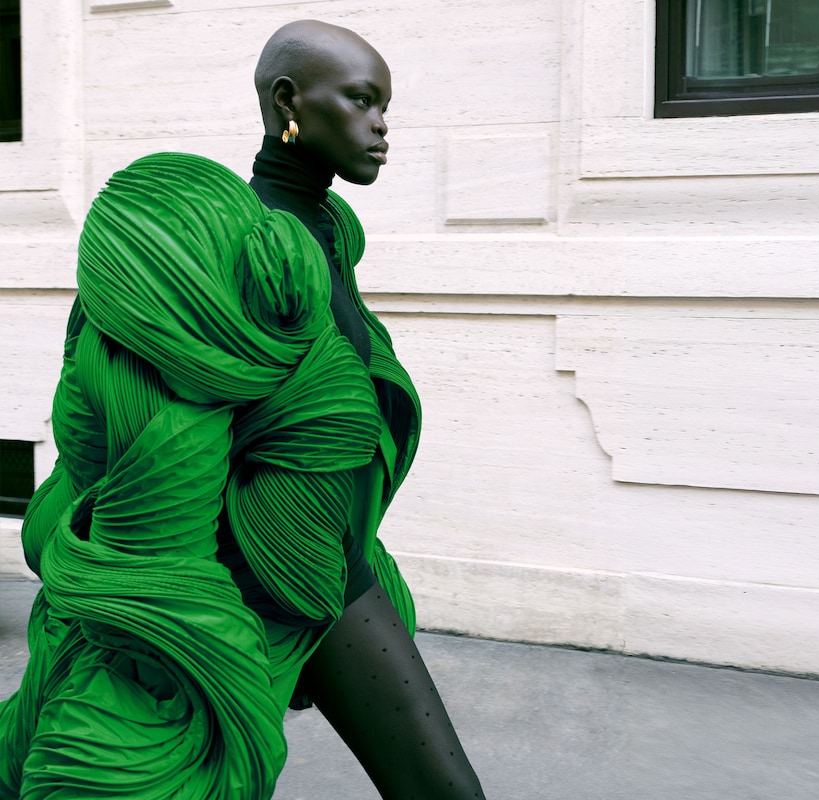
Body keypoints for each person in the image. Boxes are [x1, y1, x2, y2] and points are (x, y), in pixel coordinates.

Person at [0, 20, 486, 800]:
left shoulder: (328, 233)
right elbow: (152, 441)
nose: (381, 125)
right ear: (289, 103)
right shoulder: (223, 244)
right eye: (361, 100)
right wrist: (200, 622)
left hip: (319, 567)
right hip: (255, 582)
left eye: (384, 106)